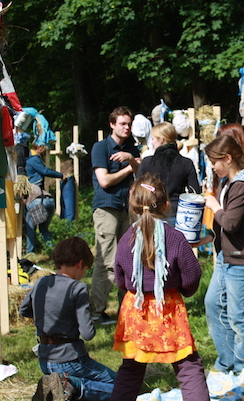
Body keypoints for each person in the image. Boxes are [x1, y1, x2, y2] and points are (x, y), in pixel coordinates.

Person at [110, 175, 209, 401]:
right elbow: (192, 276)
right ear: (166, 205)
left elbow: (121, 279)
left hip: (136, 310)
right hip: (167, 309)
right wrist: (184, 290)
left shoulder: (126, 239)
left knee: (131, 368)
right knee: (188, 366)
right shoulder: (176, 238)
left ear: (133, 206)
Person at [203, 135, 244, 378]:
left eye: (214, 161)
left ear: (228, 159)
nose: (211, 166)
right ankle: (227, 360)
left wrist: (213, 206)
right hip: (227, 257)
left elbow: (229, 223)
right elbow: (225, 228)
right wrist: (208, 238)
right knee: (213, 304)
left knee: (240, 318)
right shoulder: (228, 182)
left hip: (243, 260)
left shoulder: (241, 186)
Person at [20, 237, 117, 401]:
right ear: (80, 264)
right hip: (70, 359)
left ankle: (58, 388)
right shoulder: (77, 288)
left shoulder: (42, 282)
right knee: (122, 388)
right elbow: (88, 333)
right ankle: (71, 385)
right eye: (85, 269)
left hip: (45, 359)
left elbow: (24, 310)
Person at [90, 106, 140, 325]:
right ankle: (96, 312)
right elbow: (104, 181)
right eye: (122, 123)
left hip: (127, 209)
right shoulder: (100, 148)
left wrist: (131, 159)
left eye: (129, 124)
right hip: (107, 208)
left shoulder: (131, 149)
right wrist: (130, 168)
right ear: (112, 124)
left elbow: (142, 173)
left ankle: (125, 310)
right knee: (107, 260)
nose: (126, 127)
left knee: (126, 260)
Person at [137, 122, 200, 226]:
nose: (152, 142)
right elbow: (195, 192)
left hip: (152, 213)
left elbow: (138, 190)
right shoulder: (186, 163)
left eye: (153, 139)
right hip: (178, 214)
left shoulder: (147, 162)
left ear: (161, 139)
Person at [25, 142, 64, 253]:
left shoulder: (29, 160)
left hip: (37, 201)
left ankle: (30, 253)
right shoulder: (34, 159)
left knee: (31, 228)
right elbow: (45, 171)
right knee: (44, 229)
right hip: (48, 200)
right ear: (39, 148)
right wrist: (60, 175)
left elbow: (44, 171)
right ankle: (54, 251)